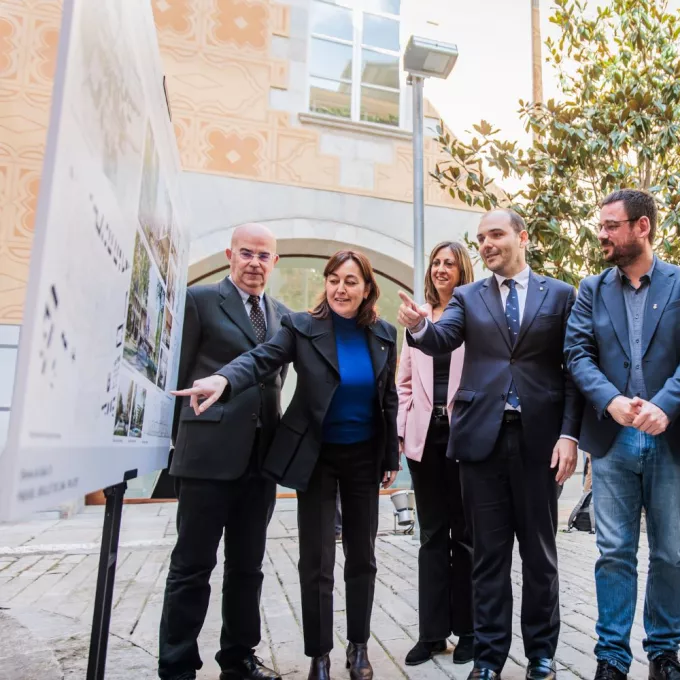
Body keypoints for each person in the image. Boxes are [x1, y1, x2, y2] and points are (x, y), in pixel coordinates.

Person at [173, 250, 400, 680]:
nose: (340, 288)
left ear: (367, 288)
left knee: (363, 557)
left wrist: (390, 455)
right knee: (316, 561)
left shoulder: (385, 334)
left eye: (350, 281)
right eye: (333, 279)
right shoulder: (300, 327)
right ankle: (318, 654)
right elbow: (260, 360)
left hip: (362, 458)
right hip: (314, 456)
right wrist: (223, 380)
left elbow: (386, 398)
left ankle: (358, 646)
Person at [397, 209, 583, 680]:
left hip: (541, 444)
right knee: (488, 557)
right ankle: (489, 658)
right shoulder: (466, 295)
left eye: (495, 234)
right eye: (480, 237)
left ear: (523, 237)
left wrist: (569, 435)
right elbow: (440, 339)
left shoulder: (560, 295)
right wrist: (419, 327)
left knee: (540, 556)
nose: (485, 244)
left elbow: (573, 372)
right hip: (480, 442)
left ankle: (541, 653)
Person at [564, 189, 680, 680]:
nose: (601, 234)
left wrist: (664, 406)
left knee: (671, 552)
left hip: (671, 436)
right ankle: (611, 657)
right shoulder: (591, 289)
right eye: (601, 225)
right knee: (614, 553)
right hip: (613, 440)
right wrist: (609, 400)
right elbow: (578, 355)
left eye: (611, 225)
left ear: (642, 227)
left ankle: (664, 654)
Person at [158, 223, 287, 680]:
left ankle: (238, 659)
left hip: (260, 462)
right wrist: (175, 443)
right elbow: (176, 374)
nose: (255, 262)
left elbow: (275, 381)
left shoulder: (281, 315)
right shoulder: (199, 302)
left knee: (247, 569)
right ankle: (176, 666)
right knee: (192, 566)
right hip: (206, 457)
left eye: (263, 255)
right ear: (230, 254)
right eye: (246, 253)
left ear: (276, 262)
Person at [396, 241, 475, 666]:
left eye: (450, 263)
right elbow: (404, 380)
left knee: (465, 536)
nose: (442, 269)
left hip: (466, 440)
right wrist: (402, 427)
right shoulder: (417, 319)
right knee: (430, 535)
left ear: (463, 271)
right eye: (436, 263)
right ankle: (431, 634)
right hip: (424, 440)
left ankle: (469, 631)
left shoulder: (475, 316)